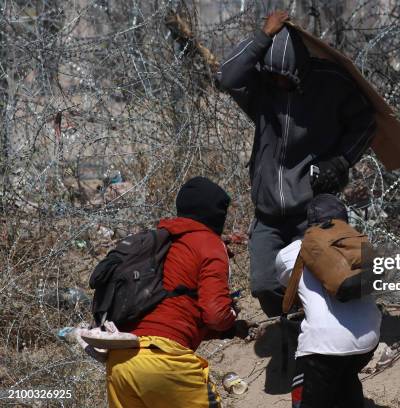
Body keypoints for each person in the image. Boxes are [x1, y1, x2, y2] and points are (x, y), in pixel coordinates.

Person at [217, 10, 376, 317]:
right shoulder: (261, 88)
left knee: (322, 280)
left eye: (285, 79)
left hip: (311, 210)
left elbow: (366, 123)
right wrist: (263, 36)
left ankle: (319, 330)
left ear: (300, 71)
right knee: (265, 286)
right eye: (273, 77)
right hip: (268, 214)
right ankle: (289, 328)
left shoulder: (330, 84)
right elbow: (227, 76)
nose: (279, 83)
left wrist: (341, 161)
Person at [106, 176, 246, 408]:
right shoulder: (208, 242)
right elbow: (215, 313)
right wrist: (232, 320)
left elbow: (169, 312)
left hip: (121, 361)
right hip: (165, 362)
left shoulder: (158, 243)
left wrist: (225, 333)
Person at [276, 194, 381, 408]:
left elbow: (282, 280)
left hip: (322, 347)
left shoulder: (292, 252)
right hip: (369, 339)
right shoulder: (358, 244)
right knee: (345, 374)